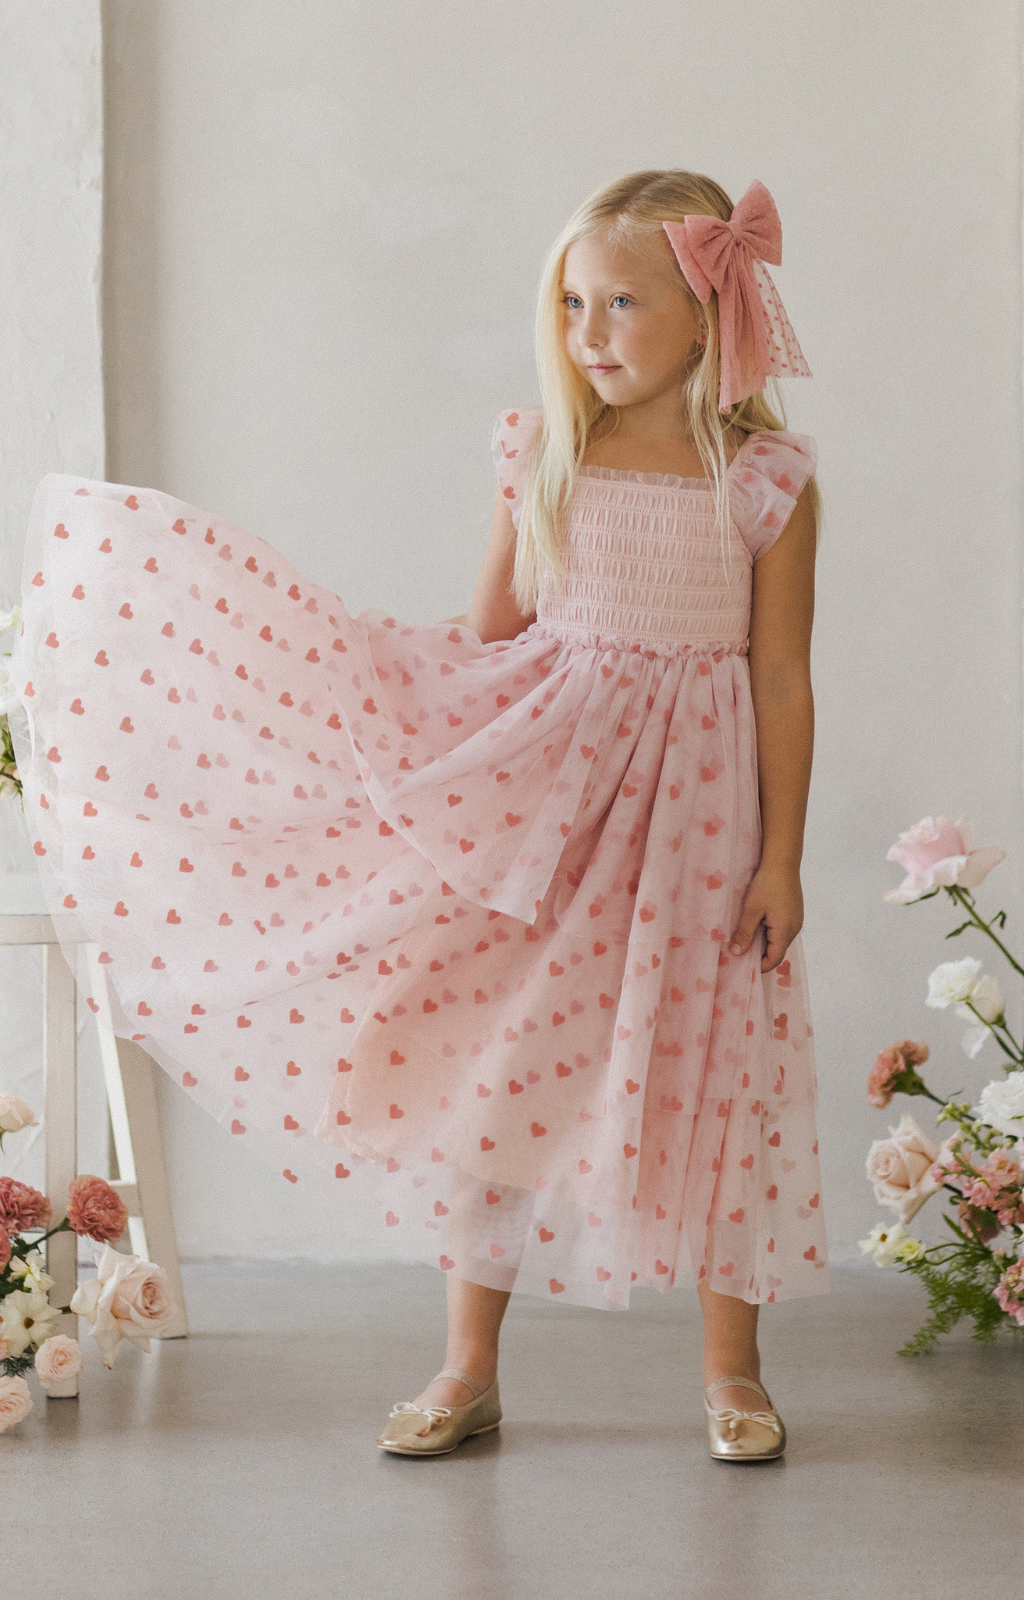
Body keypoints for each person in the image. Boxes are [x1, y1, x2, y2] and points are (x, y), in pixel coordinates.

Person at [9, 168, 828, 1462]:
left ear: (707, 309)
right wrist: (369, 702)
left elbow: (779, 673)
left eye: (623, 302)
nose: (590, 333)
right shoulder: (547, 453)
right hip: (551, 807)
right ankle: (466, 1366)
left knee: (716, 1067)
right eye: (571, 304)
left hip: (701, 820)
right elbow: (495, 630)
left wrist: (782, 853)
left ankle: (734, 1372)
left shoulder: (769, 479)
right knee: (506, 1076)